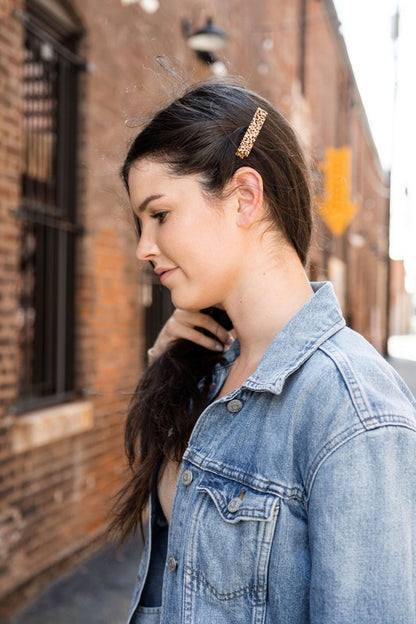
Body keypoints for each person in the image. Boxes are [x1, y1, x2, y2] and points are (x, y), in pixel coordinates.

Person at [111, 80, 416, 624]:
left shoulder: (350, 408)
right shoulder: (208, 366)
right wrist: (166, 373)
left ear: (245, 198)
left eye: (159, 215)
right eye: (140, 224)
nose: (143, 248)